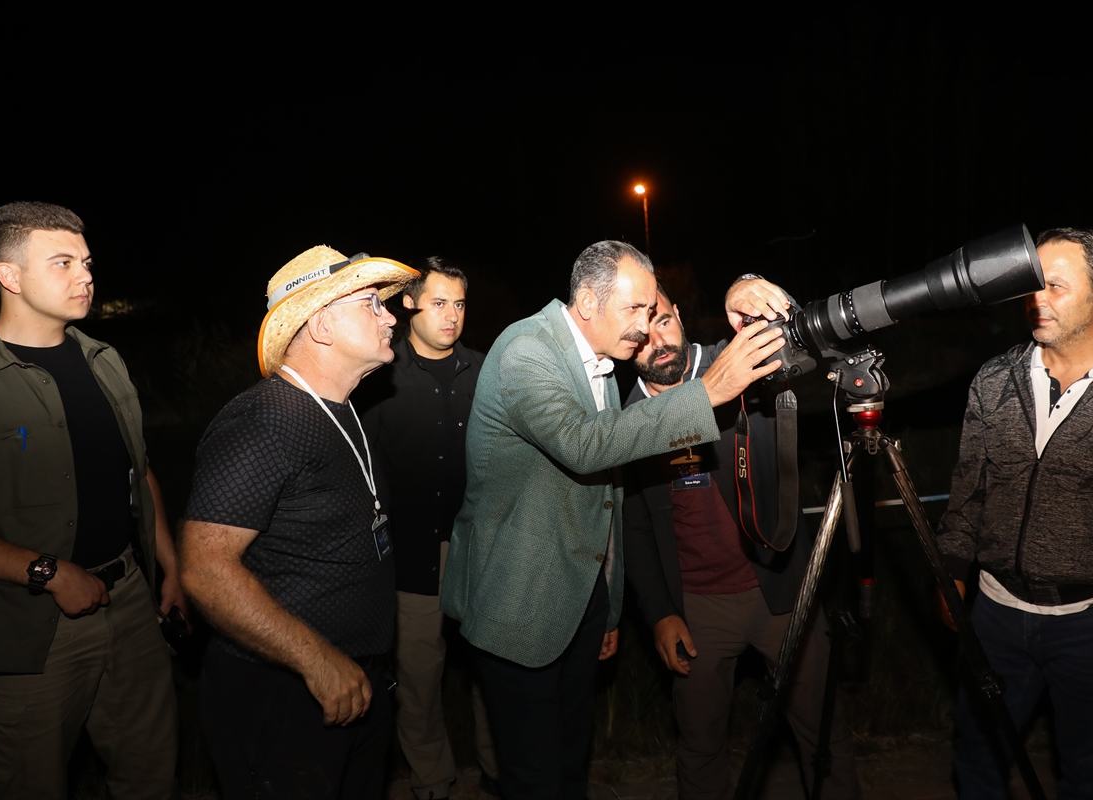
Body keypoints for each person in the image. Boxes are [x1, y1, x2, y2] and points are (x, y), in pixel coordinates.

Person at [439, 240, 793, 798]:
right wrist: (708, 393)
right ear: (586, 301)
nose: (646, 324)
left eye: (653, 310)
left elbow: (608, 496)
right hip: (519, 604)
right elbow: (586, 446)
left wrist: (608, 607)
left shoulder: (601, 360)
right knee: (534, 778)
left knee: (569, 765)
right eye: (635, 310)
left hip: (578, 602)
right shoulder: (527, 351)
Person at [935, 227, 1093, 799]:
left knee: (1088, 773)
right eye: (1030, 285)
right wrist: (951, 566)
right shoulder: (995, 379)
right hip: (997, 613)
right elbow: (968, 488)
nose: (1036, 299)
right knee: (977, 756)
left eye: (1054, 285)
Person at [179, 245, 418, 798]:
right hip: (287, 692)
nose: (390, 315)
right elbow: (204, 569)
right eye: (370, 304)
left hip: (356, 683)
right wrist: (318, 663)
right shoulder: (266, 420)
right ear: (323, 325)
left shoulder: (341, 409)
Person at [623, 286, 862, 799]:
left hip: (780, 587)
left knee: (822, 736)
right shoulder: (623, 422)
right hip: (696, 610)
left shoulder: (735, 365)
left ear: (679, 314)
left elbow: (792, 337)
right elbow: (636, 528)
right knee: (701, 745)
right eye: (641, 336)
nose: (658, 342)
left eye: (663, 321)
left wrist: (745, 285)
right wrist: (661, 612)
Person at [0, 201, 184, 799]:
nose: (86, 276)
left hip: (128, 598)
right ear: (10, 276)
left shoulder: (104, 359)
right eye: (63, 262)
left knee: (150, 769)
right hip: (30, 627)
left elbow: (138, 469)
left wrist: (171, 568)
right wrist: (45, 572)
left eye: (88, 261)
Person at [361, 257, 498, 799]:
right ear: (410, 303)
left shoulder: (487, 371)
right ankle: (432, 782)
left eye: (460, 304)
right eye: (439, 302)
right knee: (418, 684)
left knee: (493, 674)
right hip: (411, 558)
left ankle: (499, 773)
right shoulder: (379, 376)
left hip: (483, 552)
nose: (452, 315)